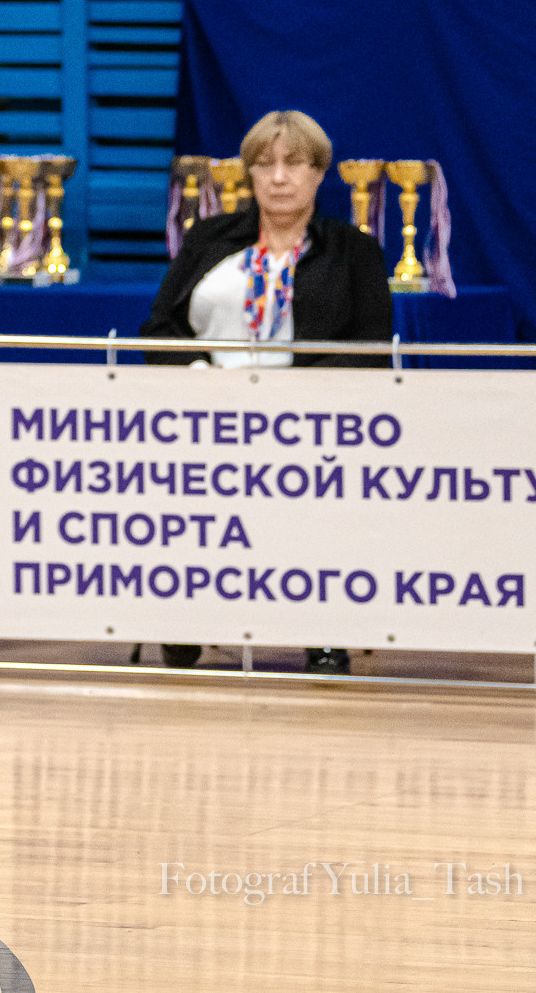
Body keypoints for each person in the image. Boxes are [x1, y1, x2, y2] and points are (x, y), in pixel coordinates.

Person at [142, 109, 392, 676]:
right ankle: (185, 628)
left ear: (318, 174)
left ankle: (325, 637)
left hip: (311, 432)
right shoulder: (208, 239)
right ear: (249, 174)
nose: (279, 177)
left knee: (319, 523)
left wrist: (293, 399)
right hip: (206, 425)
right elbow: (158, 332)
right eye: (265, 164)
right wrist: (200, 377)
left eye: (294, 164)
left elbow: (372, 349)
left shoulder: (354, 252)